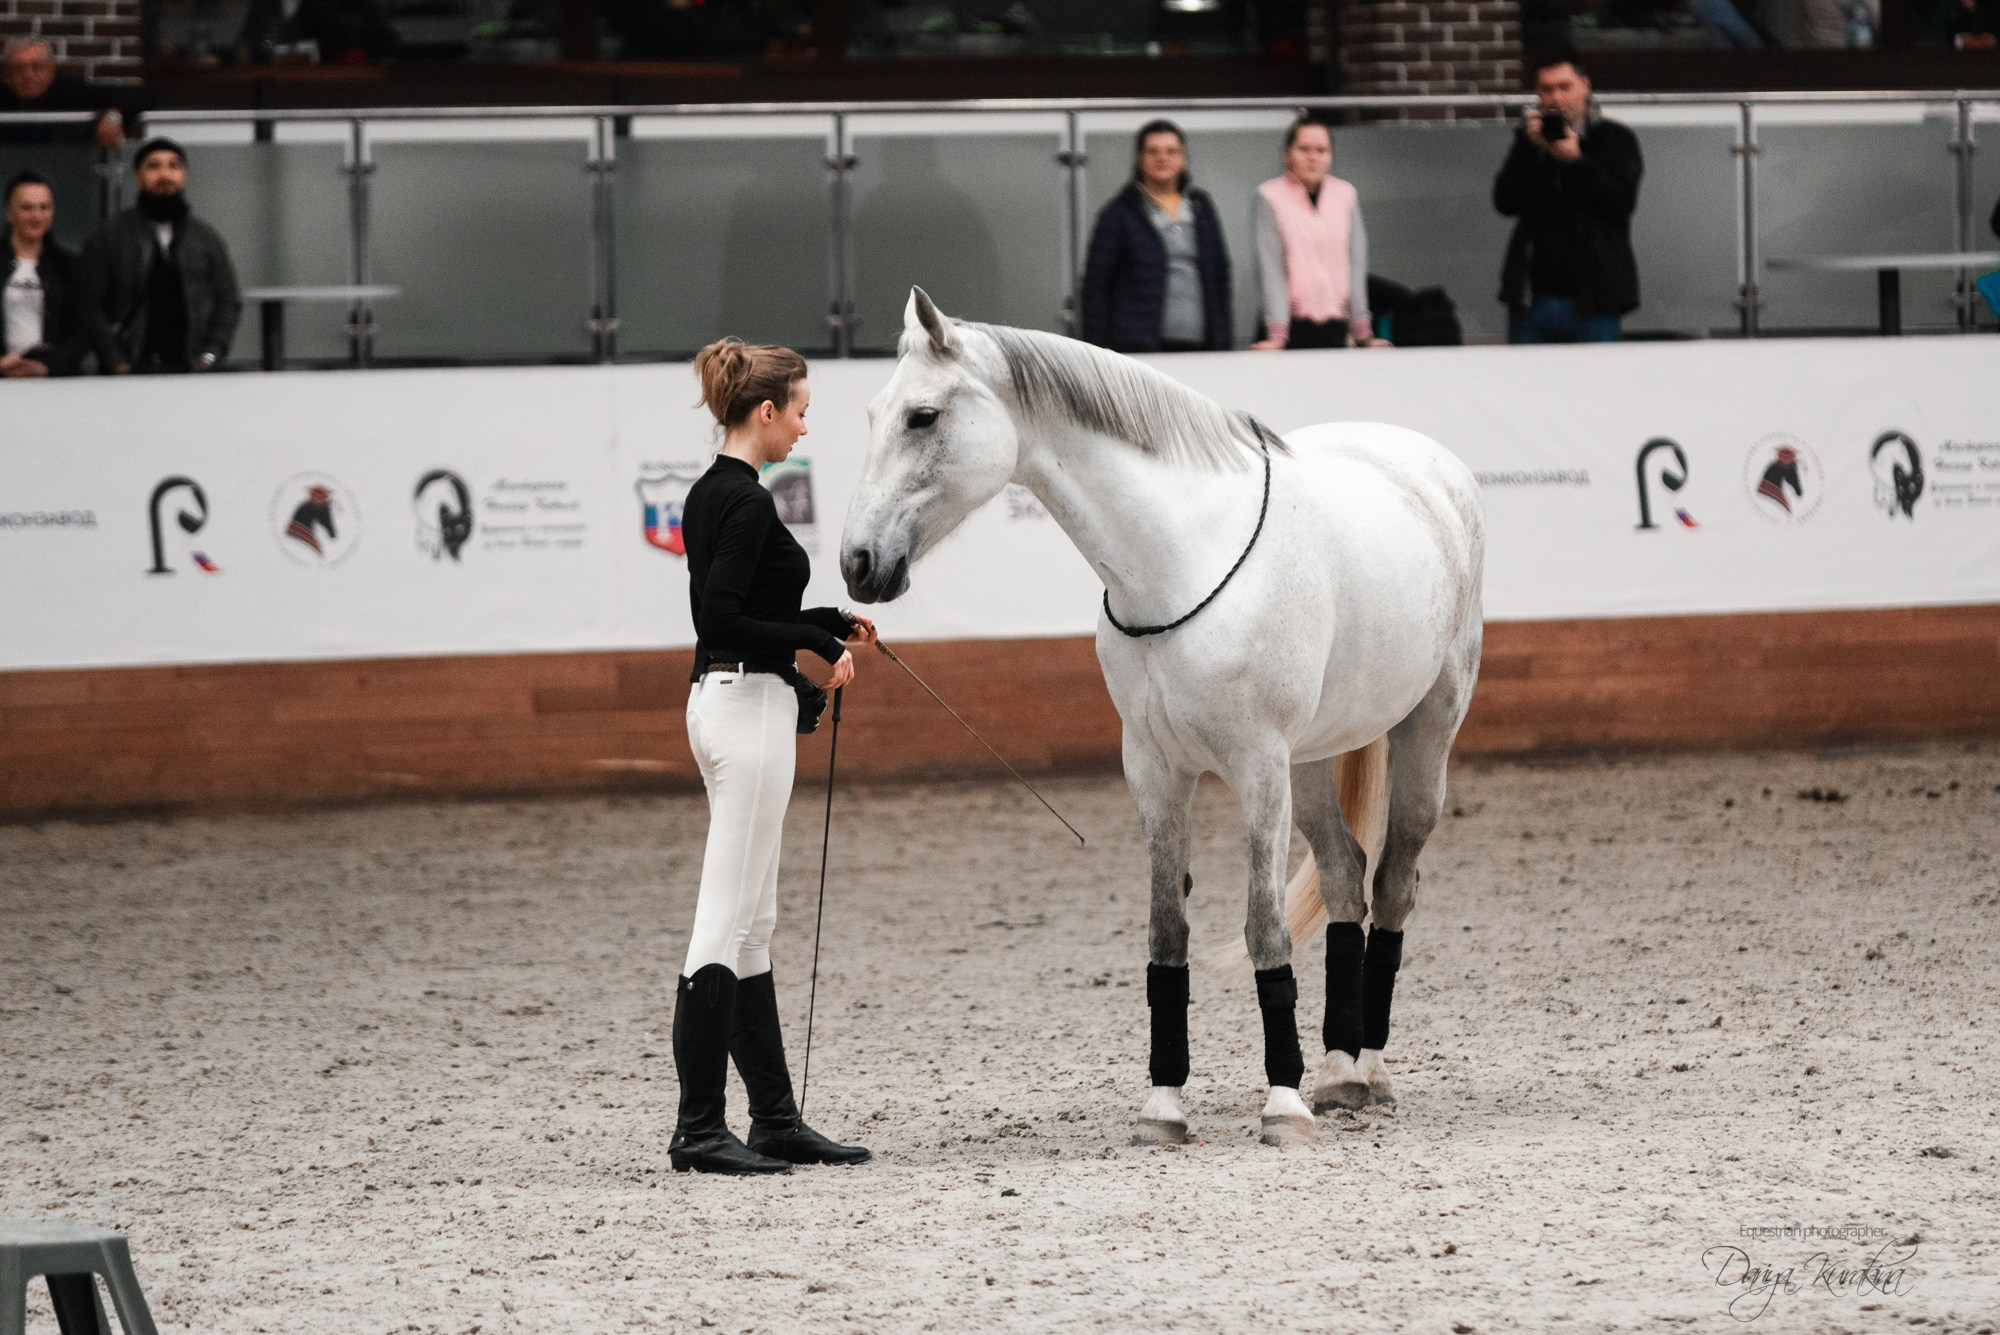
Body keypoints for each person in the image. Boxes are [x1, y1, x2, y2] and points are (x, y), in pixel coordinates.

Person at [671, 337, 877, 1177]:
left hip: (731, 701)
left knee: (752, 924)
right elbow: (721, 622)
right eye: (798, 411)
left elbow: (743, 607)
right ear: (765, 411)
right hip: (743, 709)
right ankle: (698, 1128)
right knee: (723, 922)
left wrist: (821, 620)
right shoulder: (750, 502)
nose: (802, 426)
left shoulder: (713, 491)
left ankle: (774, 1118)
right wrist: (812, 640)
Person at [1492, 52, 1644, 344]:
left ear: (1585, 86)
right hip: (1533, 294)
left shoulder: (1614, 139)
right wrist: (1529, 148)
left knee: (1597, 384)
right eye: (1547, 90)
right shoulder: (1530, 145)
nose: (1556, 98)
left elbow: (1621, 202)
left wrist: (1576, 161)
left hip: (1595, 296)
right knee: (1526, 385)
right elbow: (1504, 202)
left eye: (1565, 87)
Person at [83, 138, 242, 374]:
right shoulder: (110, 236)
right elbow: (90, 304)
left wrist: (211, 355)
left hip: (192, 369)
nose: (165, 175)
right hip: (130, 370)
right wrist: (116, 360)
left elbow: (228, 300)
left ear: (184, 175)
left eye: (173, 166)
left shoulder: (205, 238)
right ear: (137, 177)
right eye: (153, 166)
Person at [1080, 119, 1233, 353]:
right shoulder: (1118, 213)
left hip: (1203, 347)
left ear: (1183, 159)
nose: (1162, 158)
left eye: (1171, 151)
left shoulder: (1202, 207)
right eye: (1153, 151)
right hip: (1138, 348)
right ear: (1139, 159)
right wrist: (1096, 350)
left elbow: (1220, 276)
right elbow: (1096, 285)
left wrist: (1223, 339)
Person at [1250, 115, 1385, 350]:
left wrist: (1363, 333)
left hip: (1335, 326)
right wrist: (1277, 336)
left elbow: (1355, 263)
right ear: (1287, 153)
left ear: (1330, 155)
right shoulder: (1270, 196)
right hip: (1288, 328)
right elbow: (1271, 268)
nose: (1313, 157)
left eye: (1321, 150)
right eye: (1304, 149)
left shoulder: (1345, 195)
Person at [4, 171, 92, 377]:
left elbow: (84, 327)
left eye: (44, 207)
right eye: (27, 208)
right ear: (9, 213)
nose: (37, 216)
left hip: (56, 381)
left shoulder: (70, 266)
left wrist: (48, 366)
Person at [0, 39, 134, 149]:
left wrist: (112, 117)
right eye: (18, 69)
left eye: (37, 67)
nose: (28, 75)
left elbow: (137, 95)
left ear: (52, 70)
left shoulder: (74, 93)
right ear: (6, 76)